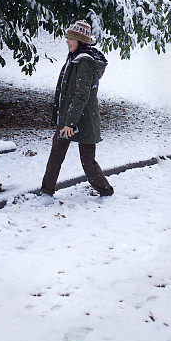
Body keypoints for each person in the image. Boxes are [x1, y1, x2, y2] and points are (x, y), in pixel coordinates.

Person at [38, 19, 114, 204]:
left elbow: (81, 96)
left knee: (88, 161)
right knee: (56, 153)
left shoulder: (85, 63)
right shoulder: (74, 58)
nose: (67, 41)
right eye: (67, 37)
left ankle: (106, 191)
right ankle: (46, 192)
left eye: (71, 38)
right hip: (69, 117)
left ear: (80, 41)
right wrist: (64, 119)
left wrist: (70, 124)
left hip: (84, 119)